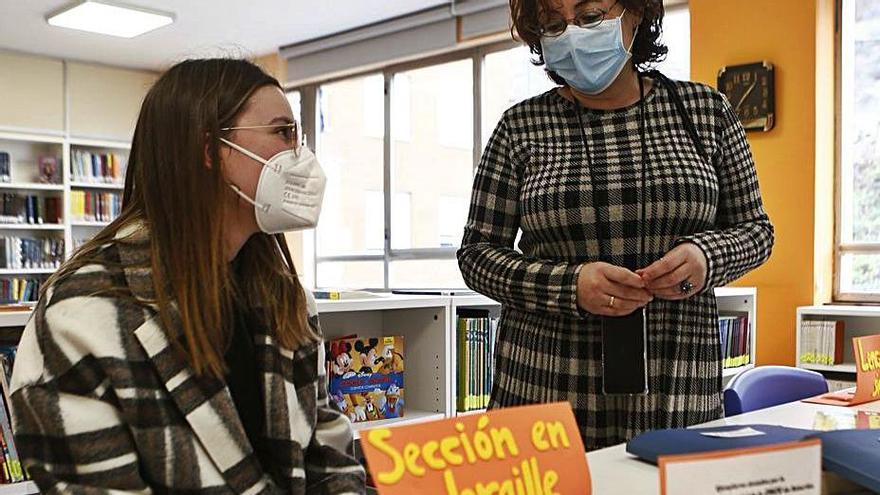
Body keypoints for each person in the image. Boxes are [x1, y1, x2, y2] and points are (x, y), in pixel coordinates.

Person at [10, 58, 366, 493]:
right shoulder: (81, 316)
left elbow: (327, 452)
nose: (301, 157)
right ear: (209, 150)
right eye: (283, 132)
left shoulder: (286, 299)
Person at [457, 0, 774, 450]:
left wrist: (707, 258)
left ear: (637, 13)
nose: (571, 35)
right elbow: (476, 255)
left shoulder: (706, 113)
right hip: (545, 388)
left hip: (676, 383)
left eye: (589, 17)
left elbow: (756, 230)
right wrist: (570, 285)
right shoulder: (520, 128)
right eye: (552, 25)